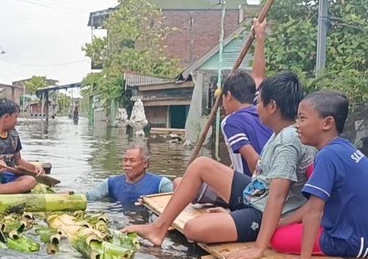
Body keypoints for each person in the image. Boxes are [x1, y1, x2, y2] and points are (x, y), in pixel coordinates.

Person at [122, 71, 316, 248]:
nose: (256, 107)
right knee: (201, 165)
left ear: (272, 106)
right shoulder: (280, 132)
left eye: (259, 101)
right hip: (256, 192)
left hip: (265, 210)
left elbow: (278, 197)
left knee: (193, 229)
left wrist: (259, 247)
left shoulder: (288, 140)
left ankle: (164, 228)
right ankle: (158, 228)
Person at [232, 92, 368, 259]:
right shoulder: (343, 147)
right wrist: (284, 221)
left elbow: (314, 212)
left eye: (302, 119)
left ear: (327, 123)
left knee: (276, 238)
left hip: (356, 241)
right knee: (283, 223)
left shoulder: (327, 156)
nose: (297, 126)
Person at [174, 19, 271, 202]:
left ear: (228, 97)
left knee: (180, 183)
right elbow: (258, 75)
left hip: (253, 191)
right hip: (265, 183)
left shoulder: (231, 121)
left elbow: (253, 159)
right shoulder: (262, 108)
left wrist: (256, 200)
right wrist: (259, 37)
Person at [85, 144, 173, 204]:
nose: (127, 164)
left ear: (145, 163)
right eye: (125, 160)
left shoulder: (160, 184)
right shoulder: (111, 183)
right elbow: (89, 197)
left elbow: (179, 202)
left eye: (132, 160)